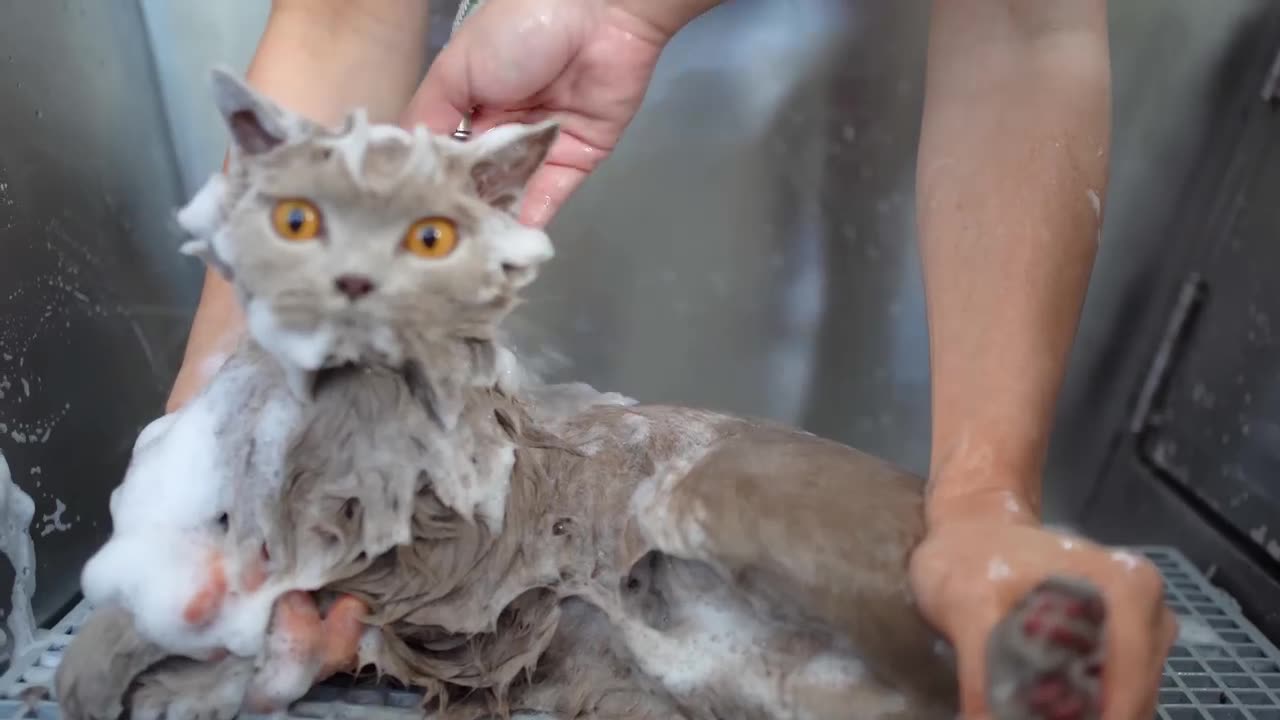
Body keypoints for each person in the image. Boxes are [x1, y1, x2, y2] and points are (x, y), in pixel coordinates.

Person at [166, 0, 1176, 717]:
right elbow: (346, 18)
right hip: (454, 310)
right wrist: (218, 464)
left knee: (931, 631)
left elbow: (1020, 23)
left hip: (852, 257)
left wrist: (983, 504)